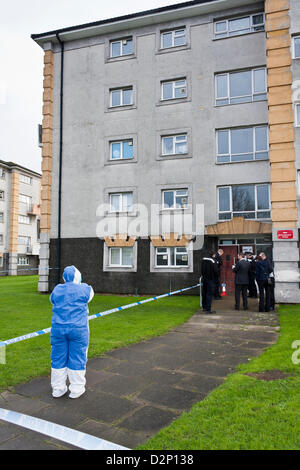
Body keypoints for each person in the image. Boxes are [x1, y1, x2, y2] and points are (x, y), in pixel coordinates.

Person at [50, 265, 94, 399]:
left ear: (64, 277)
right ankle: (76, 389)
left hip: (58, 329)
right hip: (78, 329)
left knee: (57, 358)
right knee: (77, 357)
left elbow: (52, 301)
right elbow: (90, 296)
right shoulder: (85, 289)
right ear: (78, 276)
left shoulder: (57, 289)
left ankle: (58, 388)